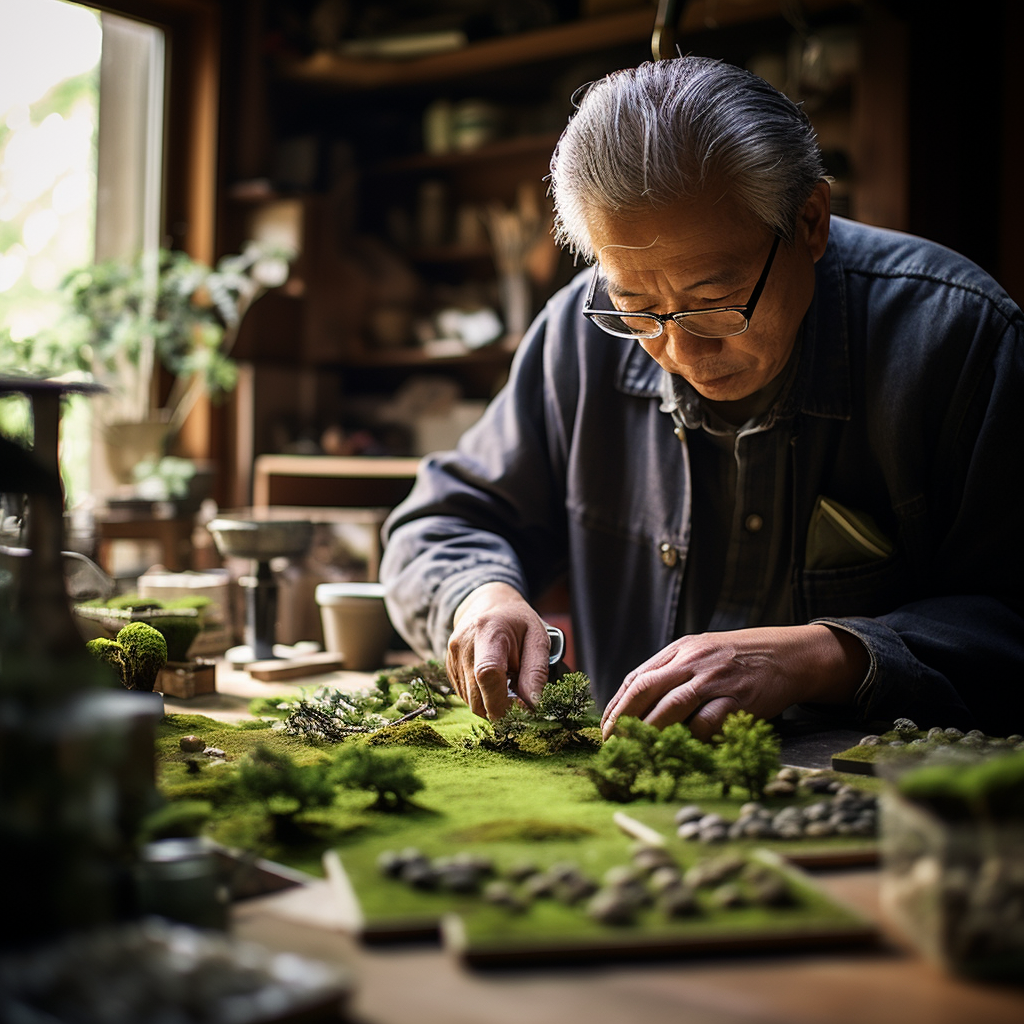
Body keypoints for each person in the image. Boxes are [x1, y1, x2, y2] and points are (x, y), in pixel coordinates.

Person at [379, 56, 1024, 742]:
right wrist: (480, 596)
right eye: (636, 306)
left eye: (714, 304)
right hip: (622, 794)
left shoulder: (959, 337)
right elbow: (439, 525)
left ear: (810, 222)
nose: (681, 353)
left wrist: (827, 655)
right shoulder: (579, 331)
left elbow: (1011, 618)